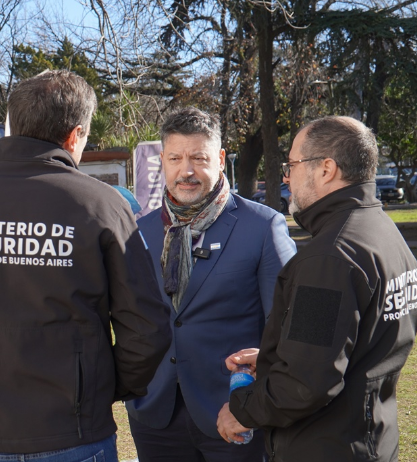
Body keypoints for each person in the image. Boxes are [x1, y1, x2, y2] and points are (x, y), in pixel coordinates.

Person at [0, 69, 172, 461]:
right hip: (73, 434)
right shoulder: (99, 204)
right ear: (74, 135)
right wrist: (98, 390)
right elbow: (147, 327)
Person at [217, 116, 417, 461]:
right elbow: (349, 341)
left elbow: (305, 382)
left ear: (326, 169)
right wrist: (277, 354)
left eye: (292, 164)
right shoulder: (381, 230)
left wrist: (242, 410)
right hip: (371, 438)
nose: (286, 177)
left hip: (328, 446)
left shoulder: (331, 257)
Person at [124, 107, 296, 461]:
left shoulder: (263, 227)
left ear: (219, 159)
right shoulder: (141, 232)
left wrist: (254, 402)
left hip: (233, 411)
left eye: (198, 158)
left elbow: (287, 326)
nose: (186, 170)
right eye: (175, 158)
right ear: (163, 162)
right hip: (155, 412)